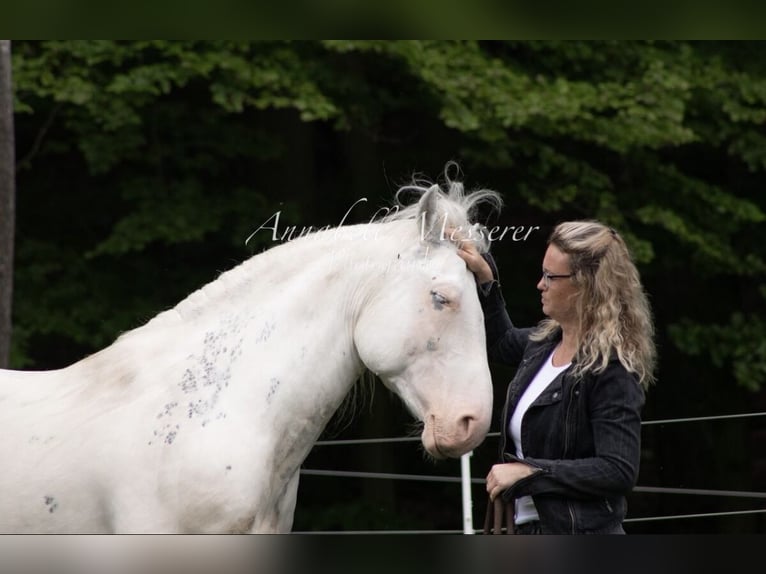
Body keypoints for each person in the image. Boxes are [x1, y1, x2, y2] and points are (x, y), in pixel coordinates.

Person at [457, 220, 656, 534]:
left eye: (551, 276)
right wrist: (486, 279)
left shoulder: (613, 369)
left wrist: (530, 472)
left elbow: (618, 469)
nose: (540, 284)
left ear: (588, 285)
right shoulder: (542, 344)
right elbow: (500, 342)